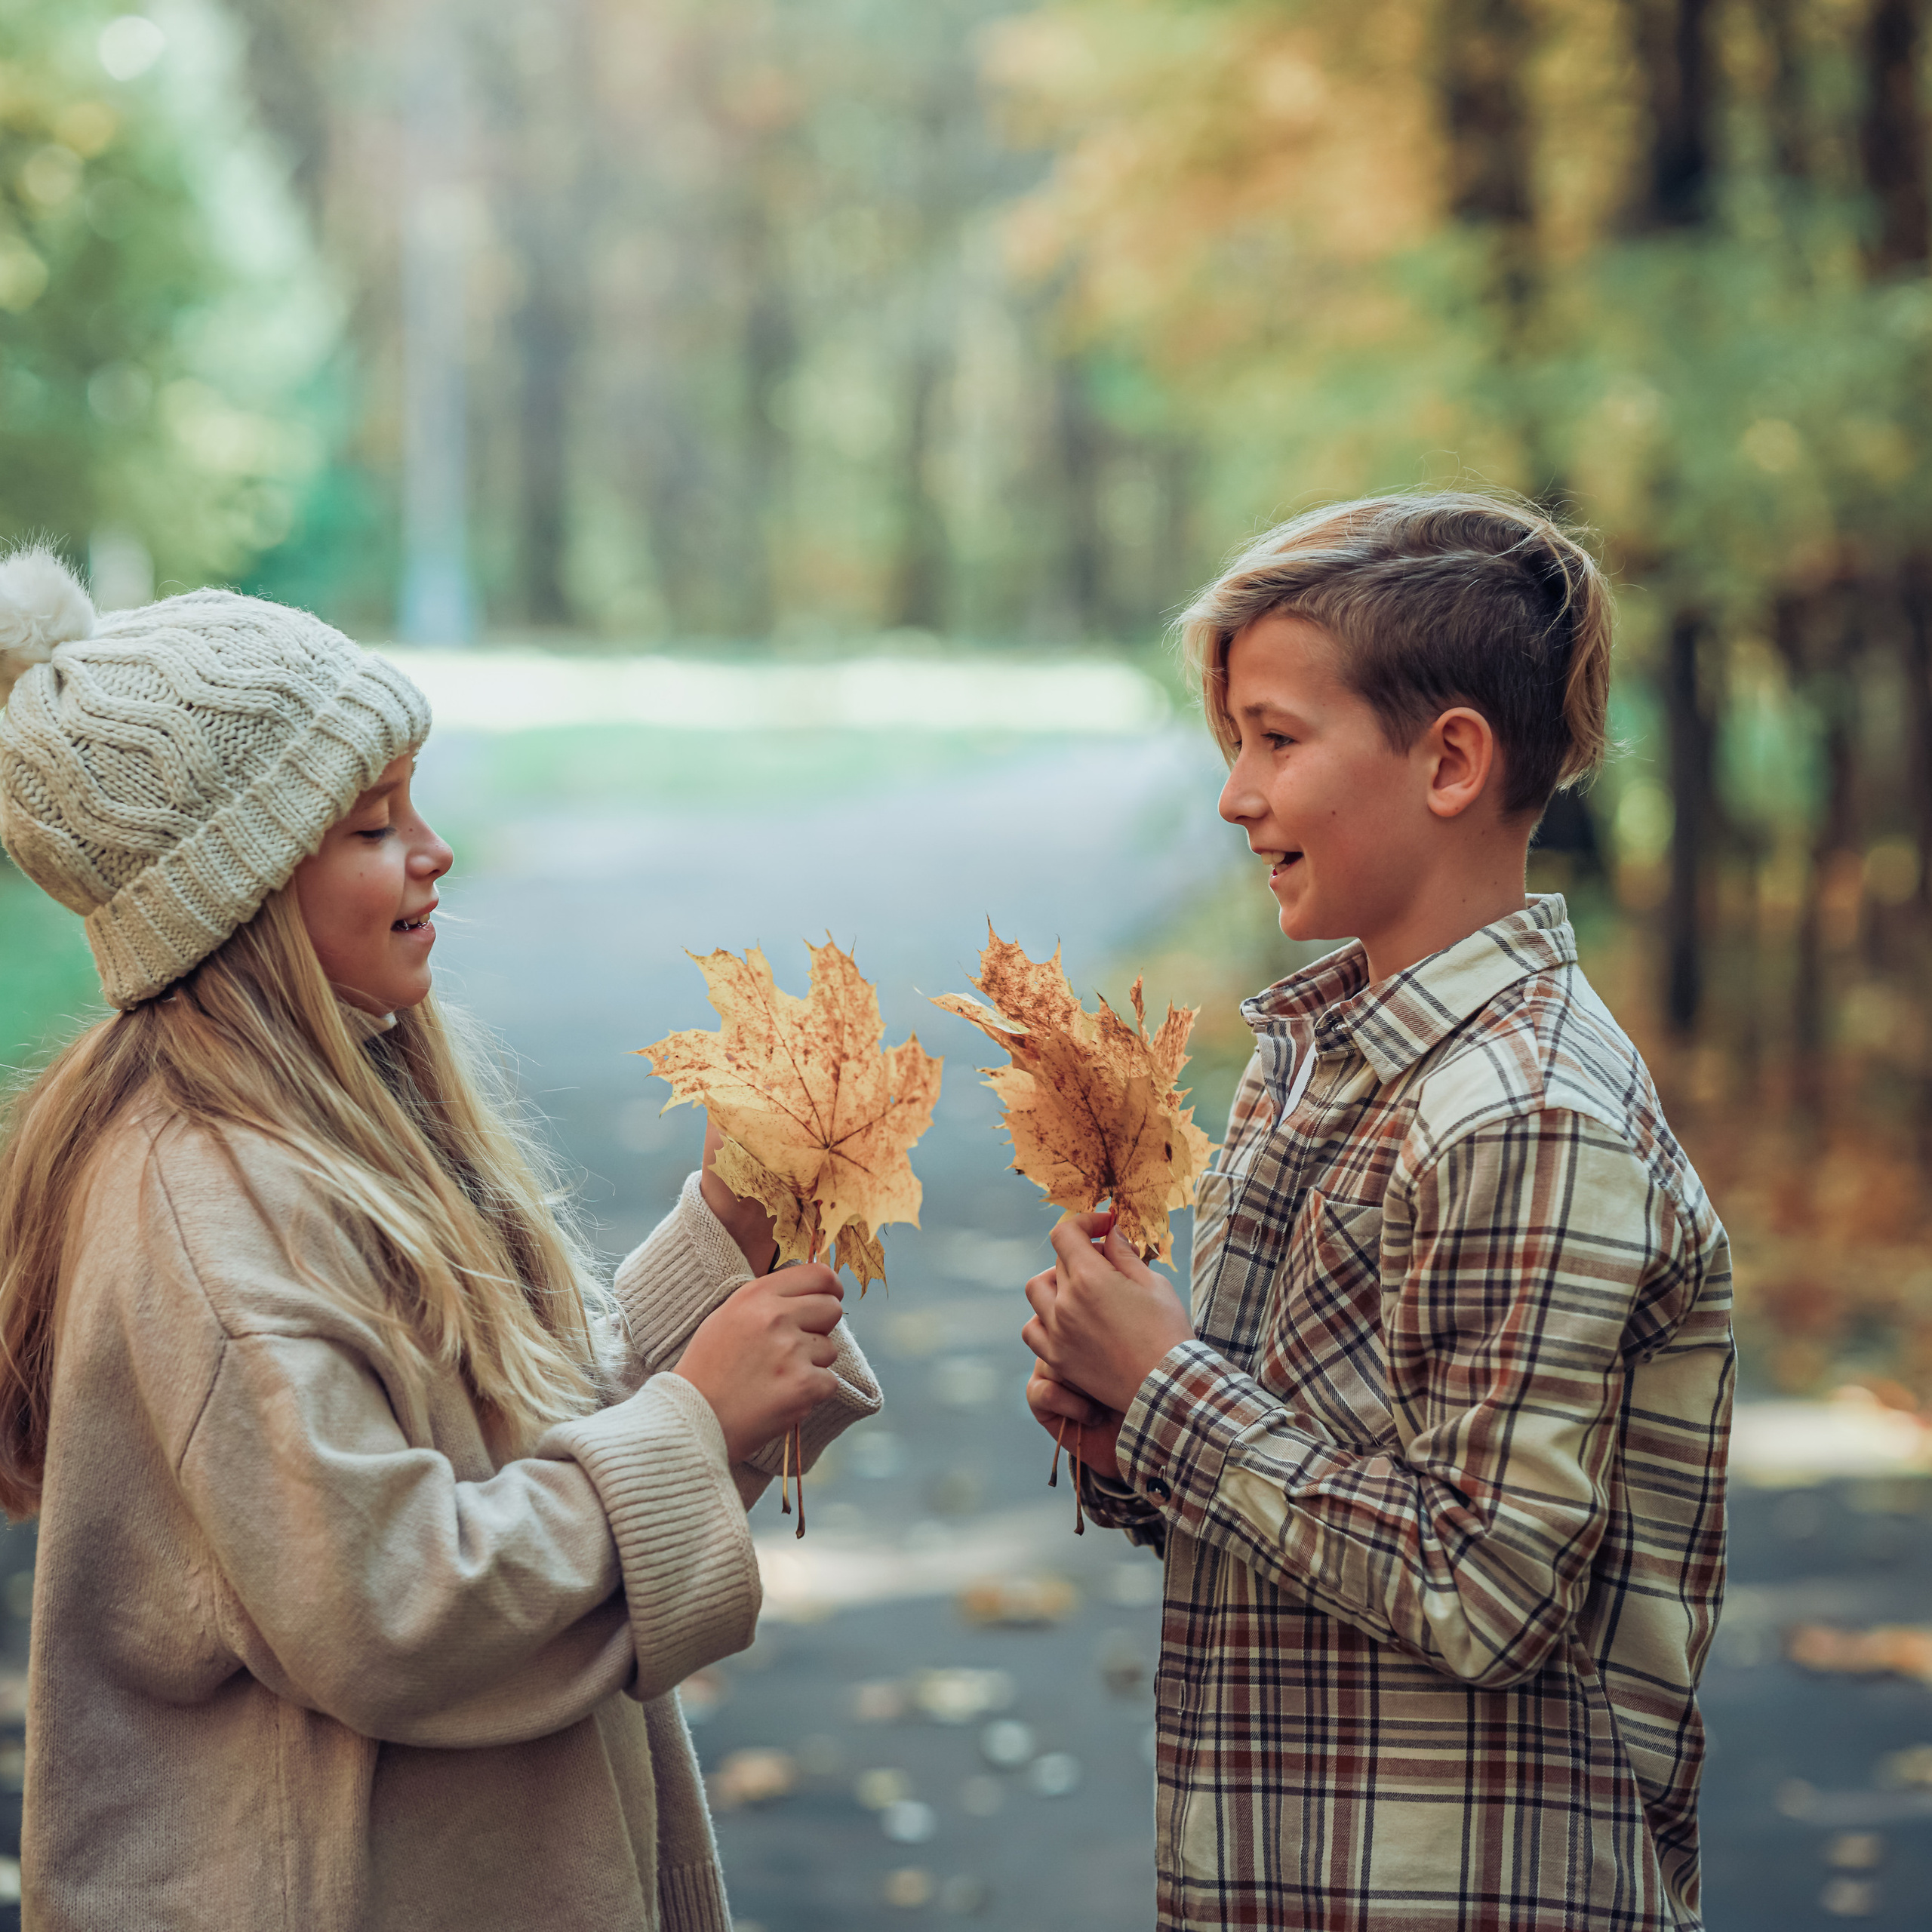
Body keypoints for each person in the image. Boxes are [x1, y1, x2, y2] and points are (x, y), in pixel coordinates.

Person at [0, 550, 875, 1932]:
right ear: (237, 895)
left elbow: (492, 1441)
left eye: (414, 805)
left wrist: (723, 1244)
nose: (435, 850)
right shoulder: (210, 1211)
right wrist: (694, 1423)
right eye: (370, 827)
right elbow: (393, 1604)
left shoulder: (344, 1108)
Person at [1021, 492, 1734, 1932]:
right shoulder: (1332, 1076)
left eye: (1277, 740)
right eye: (1234, 745)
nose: (1236, 795)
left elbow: (1484, 1585)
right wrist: (1135, 1438)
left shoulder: (1524, 1115)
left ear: (1451, 760)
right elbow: (1330, 1497)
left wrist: (1173, 1393)